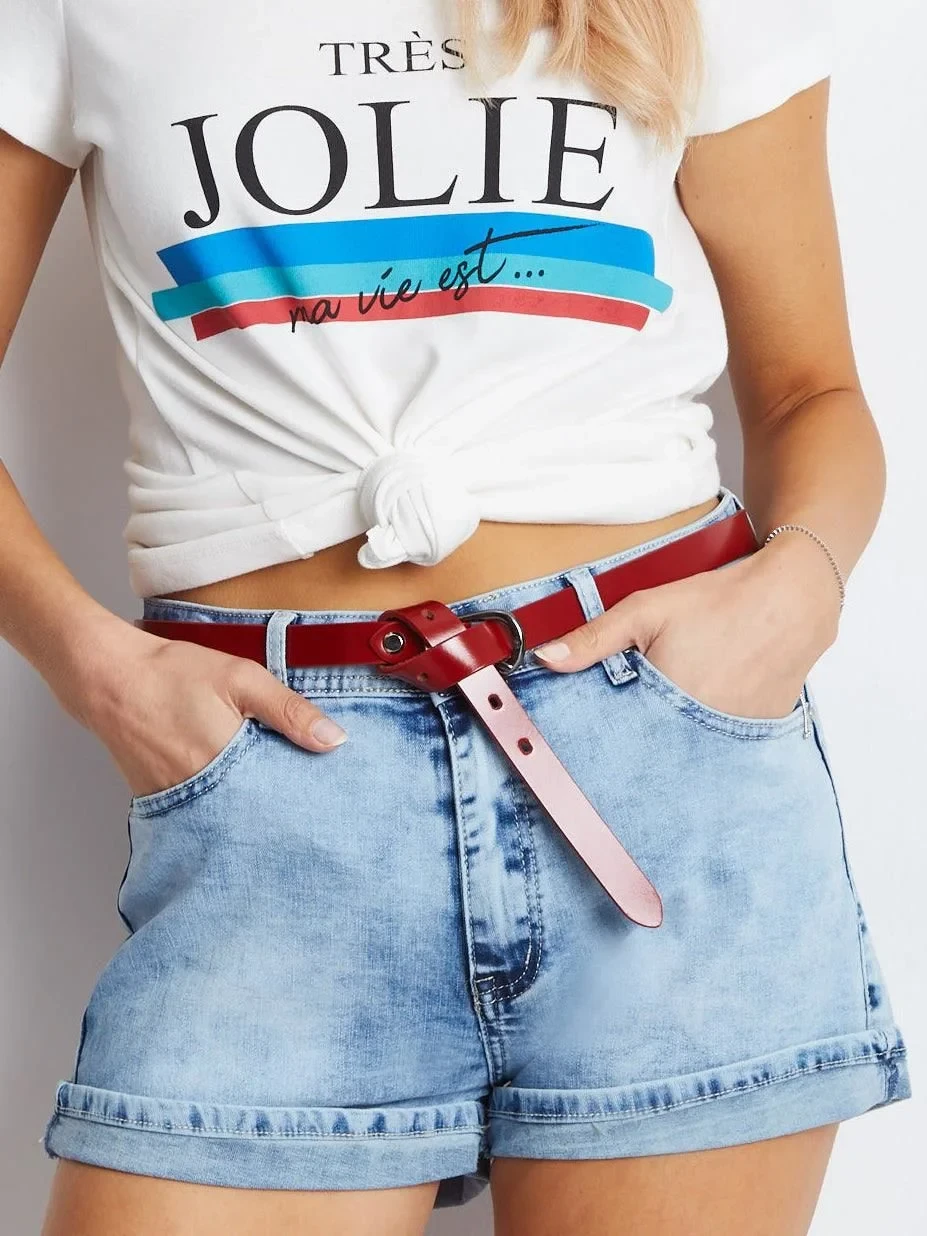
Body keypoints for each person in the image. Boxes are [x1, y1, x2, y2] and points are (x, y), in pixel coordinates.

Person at [0, 0, 912, 1232]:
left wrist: (798, 588)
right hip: (278, 789)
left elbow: (814, 392)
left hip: (662, 768)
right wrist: (95, 668)